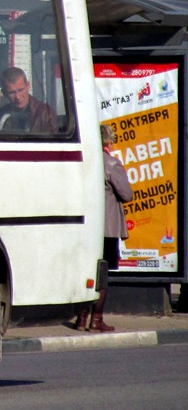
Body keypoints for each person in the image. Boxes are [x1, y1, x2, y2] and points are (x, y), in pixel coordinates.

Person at [76, 124, 133, 332]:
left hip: (86, 227)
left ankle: (81, 319)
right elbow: (127, 194)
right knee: (103, 275)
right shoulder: (111, 164)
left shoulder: (84, 162)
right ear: (108, 142)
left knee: (86, 272)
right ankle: (97, 319)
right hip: (107, 228)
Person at [0, 67, 57, 133]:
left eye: (21, 90)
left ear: (28, 86)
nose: (17, 97)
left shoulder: (46, 114)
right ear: (4, 93)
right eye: (12, 92)